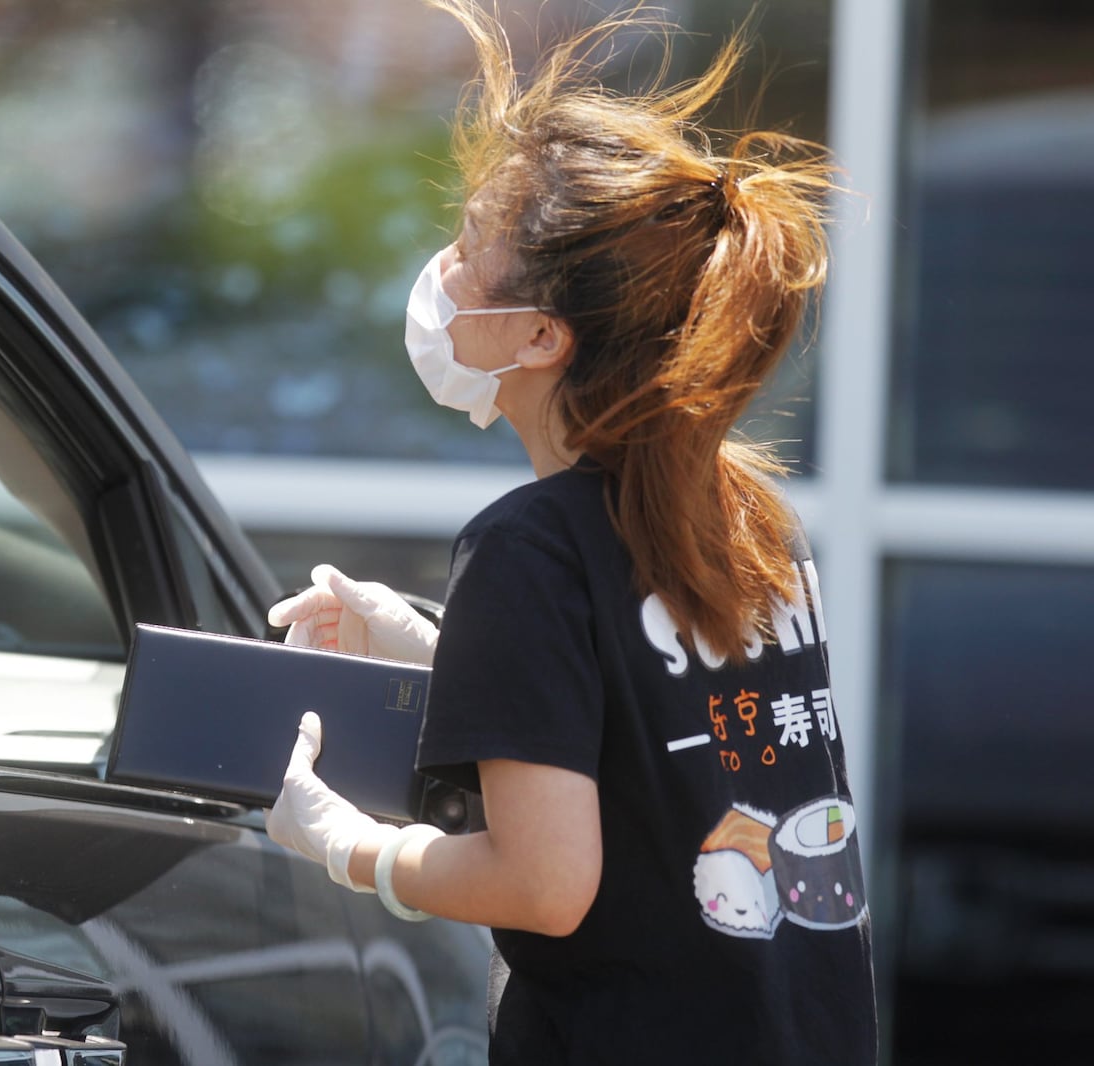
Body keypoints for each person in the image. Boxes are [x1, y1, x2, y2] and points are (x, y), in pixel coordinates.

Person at [263, 2, 876, 1063]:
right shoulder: (748, 517)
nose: (442, 278)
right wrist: (437, 646)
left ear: (541, 335)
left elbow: (545, 885)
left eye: (467, 254)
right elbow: (655, 720)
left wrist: (352, 847)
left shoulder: (526, 547)